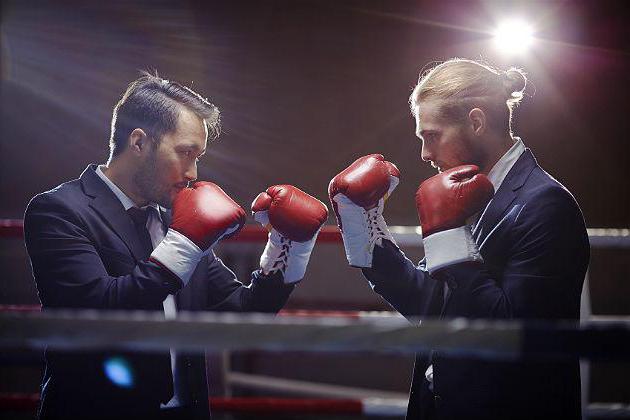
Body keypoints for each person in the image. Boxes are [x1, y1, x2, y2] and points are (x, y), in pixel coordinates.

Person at [24, 72, 328, 420]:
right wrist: (184, 244)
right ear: (138, 143)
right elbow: (96, 314)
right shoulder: (60, 211)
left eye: (198, 156)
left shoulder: (174, 218)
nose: (193, 173)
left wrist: (288, 246)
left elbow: (243, 311)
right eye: (185, 153)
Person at [329, 58, 589, 419]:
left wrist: (448, 235)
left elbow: (515, 335)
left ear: (477, 122)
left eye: (432, 136)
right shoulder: (472, 194)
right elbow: (430, 306)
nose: (425, 154)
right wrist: (367, 230)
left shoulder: (546, 205)